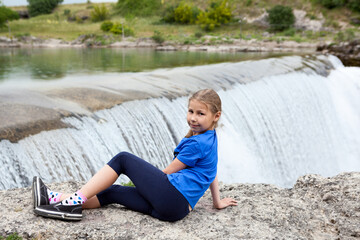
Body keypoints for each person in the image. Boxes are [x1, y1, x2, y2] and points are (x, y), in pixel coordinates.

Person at [32, 89, 238, 222]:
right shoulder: (210, 137)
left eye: (200, 114)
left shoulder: (197, 143)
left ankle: (72, 201)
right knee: (111, 192)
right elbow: (212, 171)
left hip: (171, 198)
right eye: (191, 111)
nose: (193, 118)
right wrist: (217, 202)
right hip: (177, 209)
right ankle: (55, 199)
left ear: (215, 116)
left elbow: (166, 174)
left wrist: (141, 180)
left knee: (123, 159)